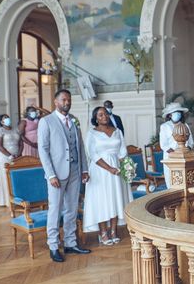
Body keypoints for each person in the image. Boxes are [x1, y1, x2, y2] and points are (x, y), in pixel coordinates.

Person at [38, 89, 91, 263]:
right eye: (63, 100)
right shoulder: (46, 122)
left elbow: (80, 146)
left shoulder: (74, 120)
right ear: (56, 102)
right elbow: (43, 151)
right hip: (57, 173)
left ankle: (70, 242)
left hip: (75, 170)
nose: (67, 102)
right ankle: (53, 245)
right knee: (55, 209)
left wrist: (84, 169)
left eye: (68, 100)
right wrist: (50, 174)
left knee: (71, 209)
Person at [84, 106, 132, 245]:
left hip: (117, 169)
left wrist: (125, 166)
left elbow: (122, 151)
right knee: (102, 201)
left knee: (116, 198)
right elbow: (92, 154)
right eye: (100, 115)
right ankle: (103, 232)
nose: (104, 116)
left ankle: (113, 231)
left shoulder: (117, 131)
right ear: (95, 119)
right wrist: (109, 168)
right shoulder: (92, 133)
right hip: (100, 170)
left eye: (105, 114)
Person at [159, 102, 194, 188]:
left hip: (185, 158)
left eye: (179, 112)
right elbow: (164, 145)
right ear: (170, 115)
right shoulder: (165, 126)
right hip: (170, 158)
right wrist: (176, 154)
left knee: (185, 182)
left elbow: (190, 142)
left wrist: (184, 152)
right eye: (175, 112)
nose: (177, 114)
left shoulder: (185, 125)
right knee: (171, 182)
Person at [0, 113, 22, 207]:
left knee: (16, 177)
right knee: (6, 177)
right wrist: (9, 155)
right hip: (4, 156)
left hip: (17, 156)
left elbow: (21, 143)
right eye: (5, 118)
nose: (7, 119)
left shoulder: (16, 129)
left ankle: (17, 199)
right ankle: (6, 200)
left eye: (8, 117)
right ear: (1, 122)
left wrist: (19, 154)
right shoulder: (0, 131)